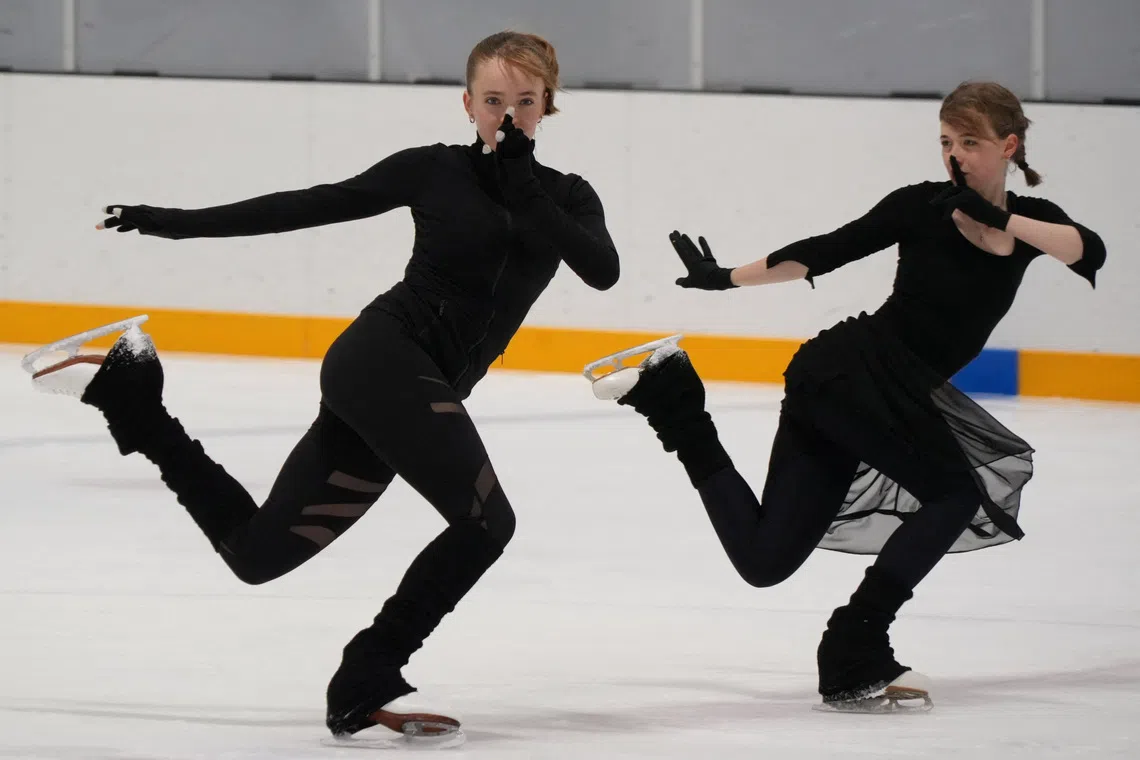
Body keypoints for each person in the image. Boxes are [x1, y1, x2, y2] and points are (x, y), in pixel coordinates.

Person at [32, 30, 619, 743]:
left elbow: (601, 270)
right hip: (382, 359)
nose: (507, 114)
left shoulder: (568, 197)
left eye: (524, 102)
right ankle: (366, 672)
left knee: (256, 554)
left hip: (413, 388)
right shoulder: (431, 171)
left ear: (546, 107)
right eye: (493, 100)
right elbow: (309, 204)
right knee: (487, 522)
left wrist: (525, 187)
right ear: (468, 104)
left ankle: (134, 402)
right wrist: (174, 225)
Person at [589, 81, 1105, 712]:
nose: (956, 155)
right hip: (849, 372)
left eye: (970, 142)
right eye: (947, 142)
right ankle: (853, 643)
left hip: (876, 393)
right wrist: (724, 278)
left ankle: (675, 405)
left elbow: (1088, 250)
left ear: (1008, 145)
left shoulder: (1034, 224)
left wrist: (1002, 218)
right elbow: (825, 252)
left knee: (764, 559)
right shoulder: (923, 206)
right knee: (953, 493)